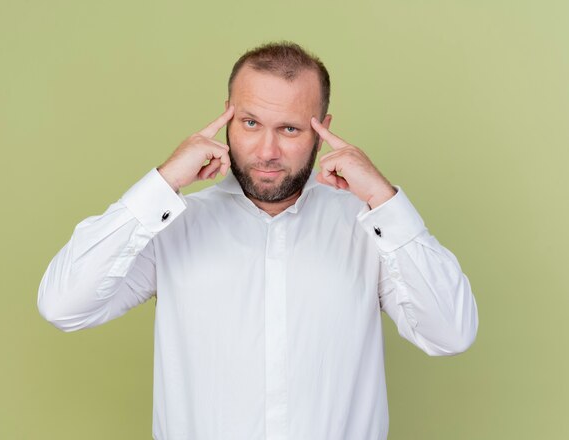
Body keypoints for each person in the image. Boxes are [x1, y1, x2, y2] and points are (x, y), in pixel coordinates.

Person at [38, 41, 478, 440]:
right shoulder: (172, 224)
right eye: (250, 123)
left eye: (289, 129)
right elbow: (63, 305)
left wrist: (383, 199)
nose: (266, 151)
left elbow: (450, 333)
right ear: (226, 113)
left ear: (323, 129)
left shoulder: (367, 227)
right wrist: (164, 180)